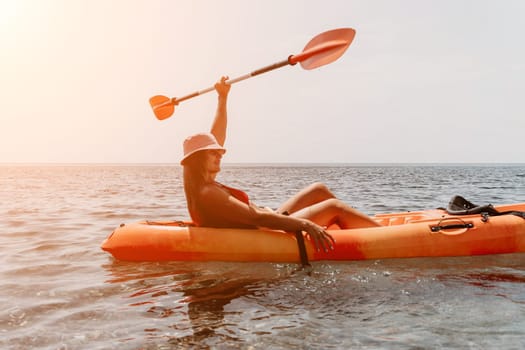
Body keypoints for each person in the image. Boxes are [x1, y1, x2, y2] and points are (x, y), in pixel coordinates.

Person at [181, 76, 380, 253]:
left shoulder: (202, 179)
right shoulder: (208, 193)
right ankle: (384, 237)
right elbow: (257, 219)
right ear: (198, 159)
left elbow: (217, 134)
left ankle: (347, 231)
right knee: (334, 207)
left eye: (219, 151)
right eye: (213, 153)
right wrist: (305, 225)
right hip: (269, 230)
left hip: (272, 218)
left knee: (318, 190)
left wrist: (222, 97)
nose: (220, 155)